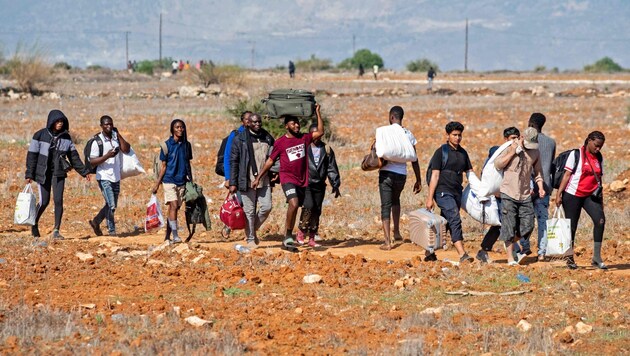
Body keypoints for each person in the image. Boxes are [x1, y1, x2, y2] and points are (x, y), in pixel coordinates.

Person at [252, 104, 325, 252]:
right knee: (293, 203)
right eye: (293, 123)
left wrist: (317, 113)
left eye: (298, 123)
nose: (297, 125)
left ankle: (288, 236)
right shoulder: (280, 142)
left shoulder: (304, 138)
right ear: (287, 126)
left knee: (303, 206)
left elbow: (321, 132)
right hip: (287, 178)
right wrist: (259, 177)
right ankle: (288, 235)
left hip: (302, 180)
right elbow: (270, 161)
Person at [25, 109, 91, 240]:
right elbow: (31, 156)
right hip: (42, 173)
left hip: (58, 173)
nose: (60, 123)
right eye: (57, 121)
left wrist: (84, 172)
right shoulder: (39, 135)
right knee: (44, 201)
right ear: (51, 122)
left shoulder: (66, 138)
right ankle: (34, 223)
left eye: (62, 121)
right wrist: (29, 174)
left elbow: (74, 157)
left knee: (58, 201)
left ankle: (56, 230)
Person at [494, 127, 545, 266]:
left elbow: (538, 171)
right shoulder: (509, 147)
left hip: (525, 194)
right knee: (509, 225)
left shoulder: (535, 152)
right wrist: (512, 152)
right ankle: (510, 257)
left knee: (528, 225)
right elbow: (498, 164)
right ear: (522, 137)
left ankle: (509, 241)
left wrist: (540, 187)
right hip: (508, 192)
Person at [555, 131, 606, 270]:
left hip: (590, 196)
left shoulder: (599, 157)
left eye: (600, 146)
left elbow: (599, 179)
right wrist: (559, 194)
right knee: (571, 226)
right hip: (572, 194)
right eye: (596, 145)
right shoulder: (576, 154)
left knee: (600, 220)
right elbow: (566, 175)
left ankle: (596, 257)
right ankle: (569, 258)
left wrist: (601, 200)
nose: (598, 149)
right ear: (589, 141)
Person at [426, 121, 474, 262]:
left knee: (445, 224)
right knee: (454, 218)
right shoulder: (441, 152)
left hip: (456, 192)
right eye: (454, 135)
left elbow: (470, 172)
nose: (457, 138)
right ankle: (462, 254)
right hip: (442, 191)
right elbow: (435, 175)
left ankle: (429, 253)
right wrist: (430, 198)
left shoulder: (463, 153)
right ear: (447, 135)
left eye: (459, 135)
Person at [377, 106, 421, 250]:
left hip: (386, 173)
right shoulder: (408, 134)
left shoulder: (384, 131)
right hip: (401, 175)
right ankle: (396, 232)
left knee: (385, 206)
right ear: (402, 117)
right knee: (396, 201)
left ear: (391, 117)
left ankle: (387, 242)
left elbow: (377, 152)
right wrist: (418, 179)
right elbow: (414, 159)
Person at [229, 113, 275, 249]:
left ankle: (252, 230)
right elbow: (234, 161)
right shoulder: (239, 139)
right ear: (247, 123)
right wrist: (232, 182)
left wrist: (274, 173)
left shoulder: (267, 137)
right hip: (246, 178)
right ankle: (250, 239)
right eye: (254, 122)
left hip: (264, 178)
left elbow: (274, 156)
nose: (257, 124)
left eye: (259, 122)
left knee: (266, 207)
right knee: (249, 211)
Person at [476, 127, 520, 263]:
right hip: (501, 196)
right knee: (503, 224)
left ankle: (486, 249)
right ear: (506, 140)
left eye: (517, 137)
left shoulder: (520, 152)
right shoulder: (497, 153)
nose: (516, 140)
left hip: (516, 194)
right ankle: (512, 253)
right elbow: (488, 174)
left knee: (511, 224)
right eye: (513, 138)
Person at [296, 123, 341, 247]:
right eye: (313, 134)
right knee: (308, 206)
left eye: (318, 134)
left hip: (320, 185)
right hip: (307, 184)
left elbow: (331, 168)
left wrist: (335, 184)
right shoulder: (304, 148)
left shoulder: (326, 149)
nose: (316, 137)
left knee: (317, 210)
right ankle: (301, 231)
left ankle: (312, 237)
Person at [88, 115, 131, 237]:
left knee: (111, 205)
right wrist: (107, 156)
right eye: (106, 124)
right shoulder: (97, 141)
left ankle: (96, 221)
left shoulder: (115, 137)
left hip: (116, 176)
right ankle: (112, 231)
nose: (109, 126)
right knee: (111, 205)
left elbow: (126, 149)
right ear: (101, 126)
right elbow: (92, 161)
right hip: (104, 176)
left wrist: (118, 135)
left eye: (111, 124)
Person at [521, 113, 556, 261]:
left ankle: (525, 247)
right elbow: (551, 164)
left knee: (524, 217)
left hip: (527, 187)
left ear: (530, 124)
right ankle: (542, 252)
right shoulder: (551, 142)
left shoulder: (526, 140)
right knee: (542, 219)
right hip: (545, 186)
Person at [152, 119, 194, 244]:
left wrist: (191, 181)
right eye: (177, 127)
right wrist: (157, 184)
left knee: (174, 209)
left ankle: (167, 236)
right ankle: (175, 236)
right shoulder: (166, 146)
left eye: (182, 127)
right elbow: (163, 166)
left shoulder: (187, 145)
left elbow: (188, 163)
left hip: (182, 181)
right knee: (174, 206)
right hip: (169, 180)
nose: (180, 129)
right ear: (172, 129)